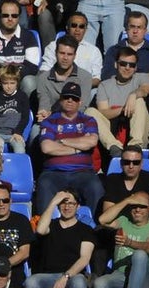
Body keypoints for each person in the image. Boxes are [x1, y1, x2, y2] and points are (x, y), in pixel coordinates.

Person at [25, 190, 94, 288]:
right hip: (48, 276)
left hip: (73, 276)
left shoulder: (86, 230)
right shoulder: (51, 225)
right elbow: (40, 230)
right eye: (63, 203)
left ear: (78, 206)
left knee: (79, 283)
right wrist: (53, 201)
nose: (67, 207)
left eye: (71, 204)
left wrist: (65, 277)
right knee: (31, 282)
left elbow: (84, 259)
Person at [35, 82, 103, 215]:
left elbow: (92, 141)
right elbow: (46, 147)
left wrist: (61, 140)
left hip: (83, 172)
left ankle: (96, 229)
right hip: (54, 173)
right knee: (44, 184)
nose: (70, 100)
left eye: (74, 98)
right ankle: (44, 230)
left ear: (80, 102)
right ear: (60, 99)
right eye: (66, 97)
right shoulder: (49, 121)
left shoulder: (88, 120)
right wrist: (78, 148)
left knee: (96, 187)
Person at [87, 47, 149, 153]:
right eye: (123, 64)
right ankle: (115, 148)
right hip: (113, 131)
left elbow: (145, 89)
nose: (127, 68)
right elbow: (104, 112)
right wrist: (123, 109)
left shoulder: (143, 77)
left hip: (142, 132)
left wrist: (133, 95)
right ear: (115, 64)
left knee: (139, 101)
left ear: (136, 68)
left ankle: (135, 146)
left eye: (132, 65)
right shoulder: (105, 85)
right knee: (90, 111)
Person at [39, 12, 102, 88]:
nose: (77, 29)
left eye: (81, 26)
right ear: (67, 27)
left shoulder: (94, 51)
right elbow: (44, 71)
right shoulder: (53, 46)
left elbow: (97, 78)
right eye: (74, 25)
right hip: (56, 87)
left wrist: (79, 86)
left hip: (84, 89)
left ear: (86, 29)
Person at [102, 11, 149, 82]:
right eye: (132, 26)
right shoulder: (114, 51)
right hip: (118, 89)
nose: (135, 31)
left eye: (139, 27)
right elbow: (106, 76)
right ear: (126, 29)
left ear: (145, 30)